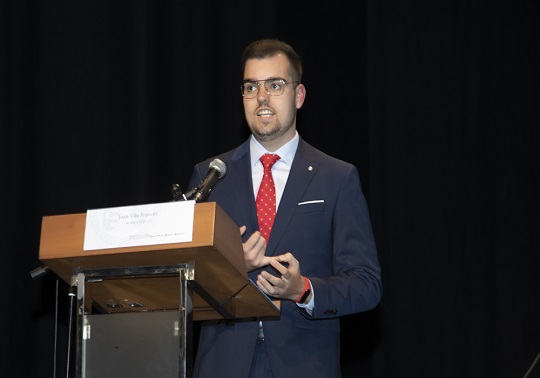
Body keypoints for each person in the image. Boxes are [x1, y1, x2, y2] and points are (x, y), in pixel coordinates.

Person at [187, 38, 382, 378]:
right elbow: (183, 285)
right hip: (223, 363)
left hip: (304, 363)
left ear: (299, 95)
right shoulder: (211, 176)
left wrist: (304, 289)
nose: (262, 97)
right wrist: (232, 266)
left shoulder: (336, 177)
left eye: (275, 85)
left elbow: (366, 284)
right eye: (251, 87)